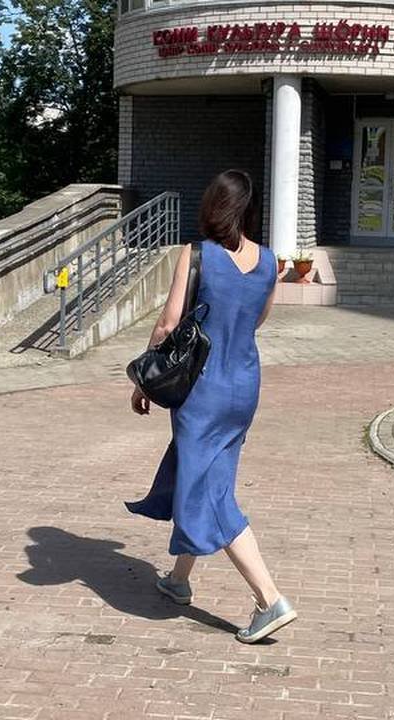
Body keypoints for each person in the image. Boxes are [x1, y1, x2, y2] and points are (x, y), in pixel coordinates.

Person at [126, 169, 295, 644]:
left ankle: (270, 599)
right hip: (244, 385)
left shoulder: (197, 253)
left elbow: (168, 324)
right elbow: (257, 321)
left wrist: (144, 380)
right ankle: (178, 579)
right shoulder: (269, 262)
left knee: (213, 494)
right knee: (203, 474)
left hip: (202, 390)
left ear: (213, 205)